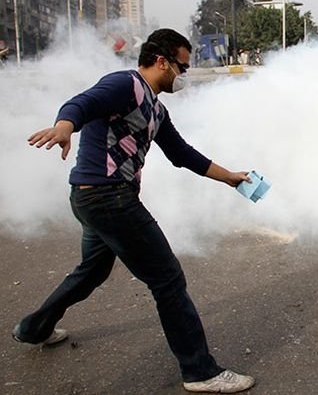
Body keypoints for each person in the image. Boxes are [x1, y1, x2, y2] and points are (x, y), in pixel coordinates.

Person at [13, 29, 256, 394]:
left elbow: (183, 154)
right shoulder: (125, 85)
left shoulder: (156, 109)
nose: (184, 75)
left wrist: (231, 179)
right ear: (162, 61)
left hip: (94, 199)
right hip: (108, 198)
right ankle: (200, 372)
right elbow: (81, 104)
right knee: (168, 279)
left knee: (91, 271)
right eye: (182, 66)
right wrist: (65, 126)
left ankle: (34, 328)